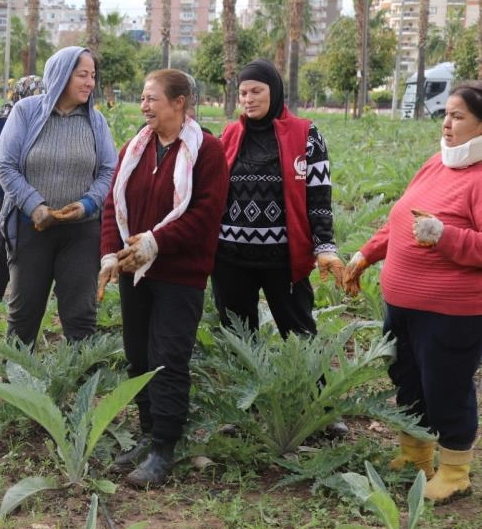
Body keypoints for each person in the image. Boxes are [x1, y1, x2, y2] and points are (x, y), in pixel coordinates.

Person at [343, 84, 482, 504]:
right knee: (408, 381)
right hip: (402, 306)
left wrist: (445, 236)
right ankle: (415, 453)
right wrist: (365, 255)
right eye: (446, 114)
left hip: (451, 312)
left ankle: (455, 470)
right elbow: (402, 220)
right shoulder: (434, 166)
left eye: (457, 116)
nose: (446, 123)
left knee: (447, 388)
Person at [98, 69, 229, 488]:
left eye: (152, 98)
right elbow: (110, 204)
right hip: (134, 273)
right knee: (138, 355)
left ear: (179, 103)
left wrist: (156, 242)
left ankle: (164, 448)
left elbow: (205, 217)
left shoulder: (206, 152)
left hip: (179, 275)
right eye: (142, 98)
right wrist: (108, 256)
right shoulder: (135, 149)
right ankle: (148, 432)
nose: (144, 106)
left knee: (168, 360)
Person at [213, 59, 345, 335]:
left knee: (300, 335)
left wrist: (325, 247)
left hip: (283, 260)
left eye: (256, 91)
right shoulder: (230, 134)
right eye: (243, 93)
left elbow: (319, 197)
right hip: (230, 259)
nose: (248, 99)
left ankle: (310, 381)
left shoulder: (306, 135)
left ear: (274, 91)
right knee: (239, 341)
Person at [0, 46, 116, 347]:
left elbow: (107, 170)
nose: (90, 82)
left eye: (93, 76)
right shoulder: (27, 112)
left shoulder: (95, 122)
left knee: (80, 312)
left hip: (81, 230)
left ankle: (81, 381)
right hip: (31, 227)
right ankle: (15, 381)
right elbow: (5, 165)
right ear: (61, 75)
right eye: (82, 75)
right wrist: (35, 206)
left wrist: (88, 204)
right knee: (24, 310)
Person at [0, 75, 45, 326]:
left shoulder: (43, 120)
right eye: (35, 95)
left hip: (30, 198)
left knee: (26, 254)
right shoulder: (3, 119)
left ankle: (24, 312)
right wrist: (20, 171)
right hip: (0, 195)